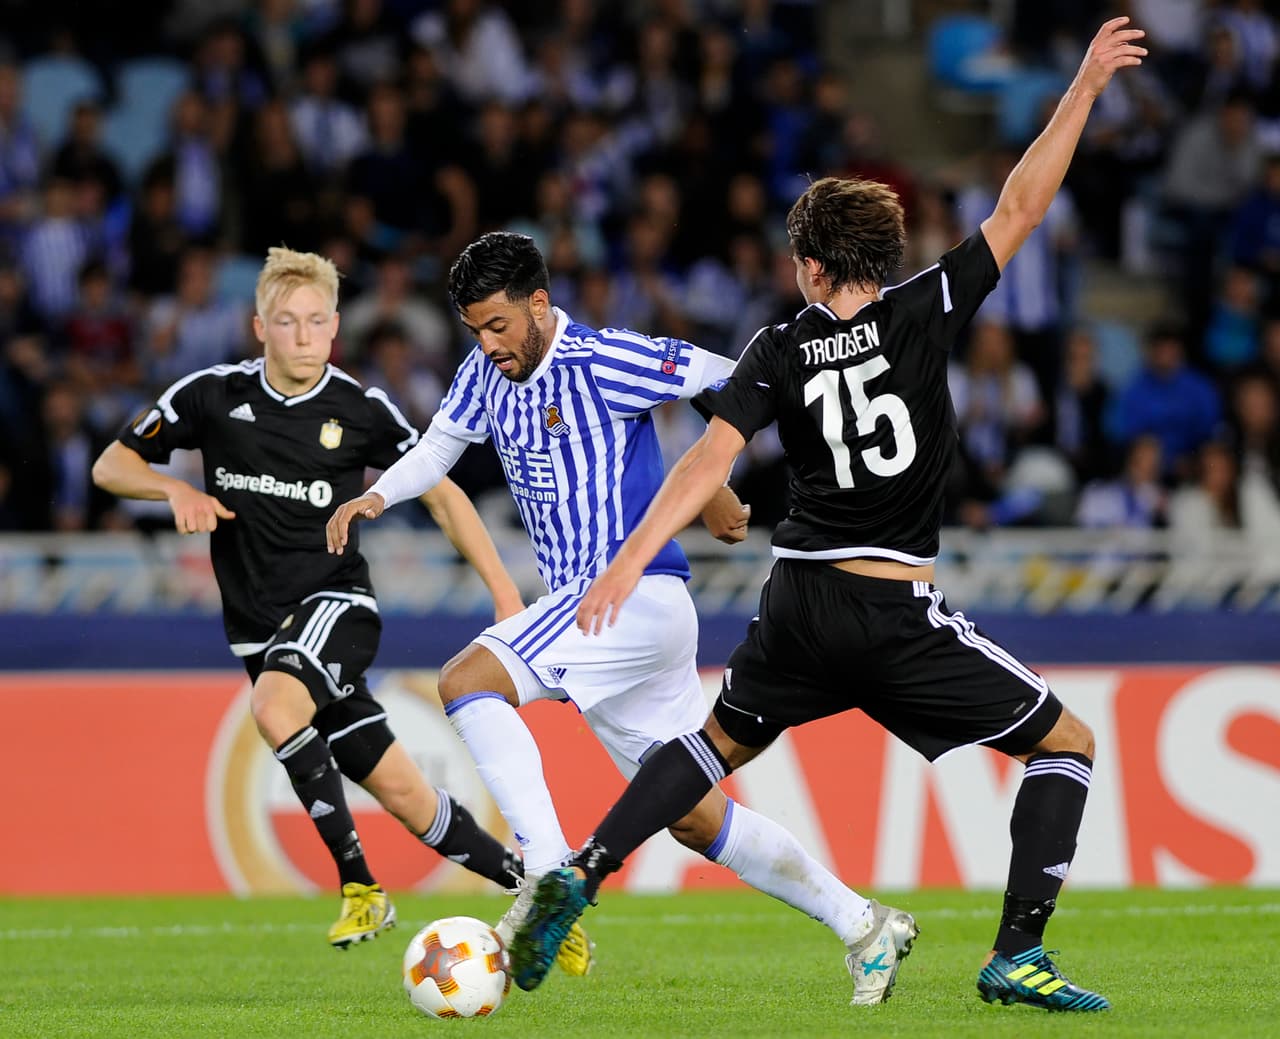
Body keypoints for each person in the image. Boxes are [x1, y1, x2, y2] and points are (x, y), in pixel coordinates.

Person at [511, 17, 1148, 1013]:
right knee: (1064, 742)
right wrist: (1079, 88)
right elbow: (1022, 205)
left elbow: (707, 459)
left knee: (712, 744)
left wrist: (630, 558)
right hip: (891, 607)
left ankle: (584, 869)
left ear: (807, 266)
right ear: (882, 259)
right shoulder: (925, 307)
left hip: (799, 597)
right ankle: (1015, 952)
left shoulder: (774, 349)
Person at [326, 231, 907, 1004]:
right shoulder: (483, 374)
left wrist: (719, 473)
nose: (489, 343)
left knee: (468, 681)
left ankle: (543, 872)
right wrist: (375, 495)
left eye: (499, 325)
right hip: (610, 623)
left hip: (626, 598)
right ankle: (865, 924)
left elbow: (728, 378)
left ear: (539, 302)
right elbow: (437, 450)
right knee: (697, 818)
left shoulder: (603, 359)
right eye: (475, 330)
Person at [92, 247, 527, 949]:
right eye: (285, 321)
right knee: (408, 796)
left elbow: (443, 494)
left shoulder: (359, 408)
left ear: (333, 331)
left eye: (315, 321)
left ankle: (360, 886)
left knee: (273, 705)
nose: (301, 335)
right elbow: (111, 463)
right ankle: (535, 891)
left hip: (338, 607)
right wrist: (172, 487)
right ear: (259, 326)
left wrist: (504, 590)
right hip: (262, 634)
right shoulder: (211, 395)